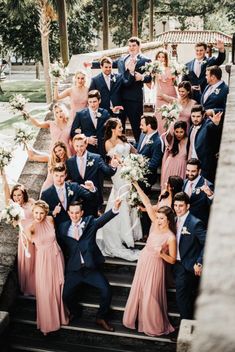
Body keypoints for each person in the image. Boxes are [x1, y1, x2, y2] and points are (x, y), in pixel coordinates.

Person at [58, 199, 122, 332]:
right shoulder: (63, 227)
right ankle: (76, 311)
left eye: (77, 213)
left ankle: (101, 317)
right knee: (65, 295)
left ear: (81, 213)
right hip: (74, 270)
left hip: (90, 268)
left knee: (106, 290)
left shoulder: (89, 223)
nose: (74, 216)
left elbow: (103, 220)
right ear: (68, 213)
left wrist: (114, 208)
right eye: (72, 213)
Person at [123, 181, 176, 336]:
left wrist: (162, 254)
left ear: (168, 220)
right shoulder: (155, 223)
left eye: (161, 219)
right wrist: (135, 184)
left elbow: (172, 260)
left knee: (151, 294)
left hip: (156, 265)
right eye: (158, 217)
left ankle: (153, 324)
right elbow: (146, 201)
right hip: (144, 260)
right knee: (139, 290)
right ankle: (137, 318)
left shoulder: (170, 237)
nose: (158, 221)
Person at [96, 118, 142, 261]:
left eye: (122, 126)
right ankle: (123, 235)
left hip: (129, 171)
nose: (122, 128)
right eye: (120, 126)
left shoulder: (123, 138)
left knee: (130, 200)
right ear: (112, 129)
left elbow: (133, 151)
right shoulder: (108, 143)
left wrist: (137, 161)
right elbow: (115, 159)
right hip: (120, 174)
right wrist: (128, 166)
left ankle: (131, 232)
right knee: (122, 199)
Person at [89, 37, 151, 142]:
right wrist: (91, 64)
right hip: (120, 99)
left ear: (139, 46)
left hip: (134, 99)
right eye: (130, 46)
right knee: (119, 126)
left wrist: (142, 77)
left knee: (136, 126)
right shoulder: (122, 58)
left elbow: (150, 77)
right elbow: (109, 63)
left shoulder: (145, 60)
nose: (131, 48)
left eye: (134, 46)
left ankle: (140, 147)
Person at [27, 200, 69, 334]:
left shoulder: (50, 220)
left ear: (46, 213)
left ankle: (61, 315)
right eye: (36, 213)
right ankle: (47, 323)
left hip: (56, 256)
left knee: (58, 286)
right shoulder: (30, 227)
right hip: (43, 260)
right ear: (32, 213)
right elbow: (29, 245)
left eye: (41, 213)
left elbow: (55, 236)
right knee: (45, 290)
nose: (38, 216)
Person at [1, 170, 35, 296]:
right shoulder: (13, 207)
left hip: (35, 236)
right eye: (15, 195)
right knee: (27, 265)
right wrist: (4, 177)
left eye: (19, 195)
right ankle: (27, 289)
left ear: (23, 194)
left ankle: (38, 285)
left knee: (37, 263)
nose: (17, 198)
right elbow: (6, 193)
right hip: (24, 239)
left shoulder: (30, 202)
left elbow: (40, 212)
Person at [173, 192, 206, 320]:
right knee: (185, 299)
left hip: (187, 266)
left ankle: (185, 328)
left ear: (188, 206)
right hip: (174, 264)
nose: (177, 208)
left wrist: (199, 262)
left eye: (181, 206)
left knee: (182, 299)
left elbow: (207, 243)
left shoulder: (195, 223)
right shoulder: (174, 219)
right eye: (175, 205)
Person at [66, 134, 118, 213]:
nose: (79, 149)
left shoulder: (96, 158)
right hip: (77, 201)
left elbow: (108, 172)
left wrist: (113, 166)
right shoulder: (70, 161)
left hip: (93, 197)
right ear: (73, 145)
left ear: (86, 144)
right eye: (77, 146)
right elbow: (69, 178)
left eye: (81, 146)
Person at [40, 164, 98, 230]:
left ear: (65, 175)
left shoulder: (74, 187)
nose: (59, 179)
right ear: (52, 175)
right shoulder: (46, 194)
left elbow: (90, 197)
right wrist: (53, 212)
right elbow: (42, 212)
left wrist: (92, 189)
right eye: (56, 175)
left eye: (61, 176)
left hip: (77, 226)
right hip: (59, 229)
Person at [137, 115, 163, 237]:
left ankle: (146, 231)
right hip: (136, 176)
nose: (140, 126)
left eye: (142, 124)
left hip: (146, 178)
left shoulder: (158, 141)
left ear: (149, 126)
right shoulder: (143, 135)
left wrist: (138, 170)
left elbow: (153, 164)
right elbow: (139, 151)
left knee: (144, 204)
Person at [187, 104, 223, 183]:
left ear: (203, 115)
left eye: (198, 116)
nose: (195, 119)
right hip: (191, 165)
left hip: (205, 168)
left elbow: (214, 132)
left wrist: (216, 124)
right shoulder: (191, 127)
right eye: (193, 116)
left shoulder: (208, 125)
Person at [70, 90, 110, 157]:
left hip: (103, 148)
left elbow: (110, 129)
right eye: (90, 102)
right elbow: (73, 133)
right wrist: (87, 139)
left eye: (94, 102)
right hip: (87, 150)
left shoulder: (105, 113)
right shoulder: (80, 114)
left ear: (99, 101)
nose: (92, 104)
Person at [183, 158, 214, 227]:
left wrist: (210, 194)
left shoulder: (208, 185)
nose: (190, 173)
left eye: (193, 171)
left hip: (199, 224)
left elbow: (213, 206)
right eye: (188, 170)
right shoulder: (184, 182)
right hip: (185, 222)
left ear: (199, 171)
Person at [154, 48, 177, 135]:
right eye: (159, 57)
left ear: (166, 58)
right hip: (160, 96)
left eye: (163, 57)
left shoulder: (171, 68)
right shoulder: (154, 70)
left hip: (171, 94)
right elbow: (152, 84)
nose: (161, 59)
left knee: (171, 118)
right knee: (160, 119)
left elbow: (175, 83)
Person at [161, 120, 188, 189]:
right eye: (177, 132)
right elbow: (167, 136)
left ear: (185, 131)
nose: (179, 134)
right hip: (170, 166)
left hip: (182, 167)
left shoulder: (188, 140)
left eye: (181, 132)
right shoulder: (172, 139)